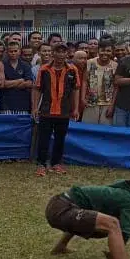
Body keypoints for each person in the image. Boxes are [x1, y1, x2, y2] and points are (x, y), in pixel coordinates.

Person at [32, 43, 80, 176]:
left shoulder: (72, 70)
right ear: (53, 53)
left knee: (60, 138)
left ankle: (56, 163)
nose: (60, 54)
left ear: (66, 54)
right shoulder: (44, 69)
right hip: (46, 110)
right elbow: (37, 89)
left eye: (63, 52)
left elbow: (76, 90)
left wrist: (75, 108)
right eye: (57, 52)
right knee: (43, 138)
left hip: (64, 111)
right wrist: (35, 107)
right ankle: (41, 164)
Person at [0, 40, 33, 115]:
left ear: (20, 51)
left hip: (23, 104)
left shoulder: (25, 65)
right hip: (6, 104)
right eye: (11, 51)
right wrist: (20, 80)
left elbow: (29, 83)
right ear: (7, 52)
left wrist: (10, 84)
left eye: (15, 51)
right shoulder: (2, 65)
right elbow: (3, 84)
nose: (13, 53)